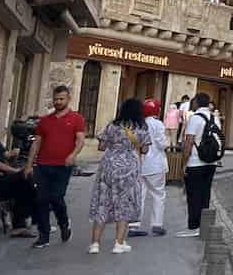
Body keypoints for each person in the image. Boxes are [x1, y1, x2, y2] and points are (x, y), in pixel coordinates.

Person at [24, 84, 86, 249]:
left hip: (63, 165)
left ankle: (64, 223)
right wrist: (29, 165)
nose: (58, 102)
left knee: (56, 197)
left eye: (61, 99)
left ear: (68, 99)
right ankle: (43, 235)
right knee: (41, 199)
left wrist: (73, 155)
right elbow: (37, 143)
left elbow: (80, 139)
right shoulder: (45, 121)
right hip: (43, 165)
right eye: (56, 99)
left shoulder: (76, 119)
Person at [87, 99, 149, 254]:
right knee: (124, 204)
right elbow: (145, 149)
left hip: (109, 166)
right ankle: (118, 243)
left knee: (103, 202)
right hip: (129, 167)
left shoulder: (112, 126)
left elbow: (101, 146)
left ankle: (95, 244)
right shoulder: (141, 128)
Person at [177, 92, 222, 237]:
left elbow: (189, 142)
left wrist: (184, 164)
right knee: (205, 194)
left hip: (196, 162)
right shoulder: (215, 118)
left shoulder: (195, 119)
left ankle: (193, 227)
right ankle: (203, 225)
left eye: (194, 101)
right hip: (211, 162)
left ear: (197, 102)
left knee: (193, 195)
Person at [129, 99, 169, 237]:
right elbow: (162, 144)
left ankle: (133, 225)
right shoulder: (158, 124)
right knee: (158, 194)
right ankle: (157, 224)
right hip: (155, 164)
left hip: (140, 163)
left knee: (139, 195)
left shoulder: (137, 124)